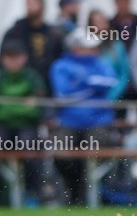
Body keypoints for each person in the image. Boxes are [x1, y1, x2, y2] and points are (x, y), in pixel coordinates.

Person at [49, 29, 121, 205]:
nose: (94, 50)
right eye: (88, 47)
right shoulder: (61, 66)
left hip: (99, 121)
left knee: (96, 152)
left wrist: (80, 83)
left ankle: (93, 195)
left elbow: (111, 82)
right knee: (61, 153)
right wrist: (92, 86)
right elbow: (63, 95)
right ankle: (75, 188)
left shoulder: (101, 63)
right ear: (75, 47)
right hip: (69, 122)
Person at [0, 41, 47, 207]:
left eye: (16, 57)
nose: (13, 61)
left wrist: (8, 106)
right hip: (3, 127)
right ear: (3, 60)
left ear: (24, 58)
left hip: (28, 126)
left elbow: (37, 110)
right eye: (9, 57)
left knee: (31, 152)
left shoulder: (33, 78)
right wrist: (22, 106)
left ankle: (33, 194)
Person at [1, 0, 66, 95]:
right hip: (22, 87)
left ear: (42, 6)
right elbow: (4, 58)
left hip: (49, 85)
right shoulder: (16, 32)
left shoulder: (53, 34)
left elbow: (60, 57)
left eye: (33, 3)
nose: (29, 7)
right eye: (28, 4)